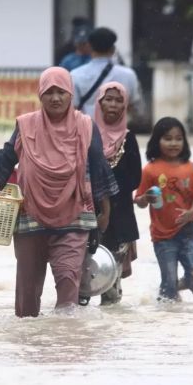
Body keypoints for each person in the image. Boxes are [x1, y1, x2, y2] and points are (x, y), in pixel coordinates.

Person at [0, 67, 119, 318]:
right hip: (29, 214)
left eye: (61, 92)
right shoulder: (26, 125)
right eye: (49, 92)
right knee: (27, 294)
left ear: (70, 95)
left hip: (74, 215)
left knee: (68, 285)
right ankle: (29, 345)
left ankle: (63, 345)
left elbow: (99, 168)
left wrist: (106, 211)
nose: (55, 98)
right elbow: (7, 155)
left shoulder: (86, 126)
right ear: (40, 95)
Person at [79, 82, 142, 306]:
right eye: (109, 99)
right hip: (87, 215)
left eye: (118, 100)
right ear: (99, 102)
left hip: (119, 217)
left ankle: (111, 333)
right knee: (81, 277)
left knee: (110, 284)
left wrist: (108, 190)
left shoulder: (128, 139)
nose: (113, 104)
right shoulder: (86, 134)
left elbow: (136, 178)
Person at [134, 117, 193, 301]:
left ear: (184, 141)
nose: (173, 143)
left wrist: (191, 212)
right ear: (157, 141)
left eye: (178, 138)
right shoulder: (150, 170)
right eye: (167, 138)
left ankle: (169, 292)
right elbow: (139, 201)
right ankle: (168, 313)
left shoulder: (190, 168)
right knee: (169, 280)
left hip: (187, 230)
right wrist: (146, 198)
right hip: (162, 235)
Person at [71, 27, 144, 120]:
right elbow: (135, 107)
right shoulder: (129, 75)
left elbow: (73, 107)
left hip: (87, 131)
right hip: (119, 132)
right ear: (113, 49)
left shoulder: (76, 74)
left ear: (89, 47)